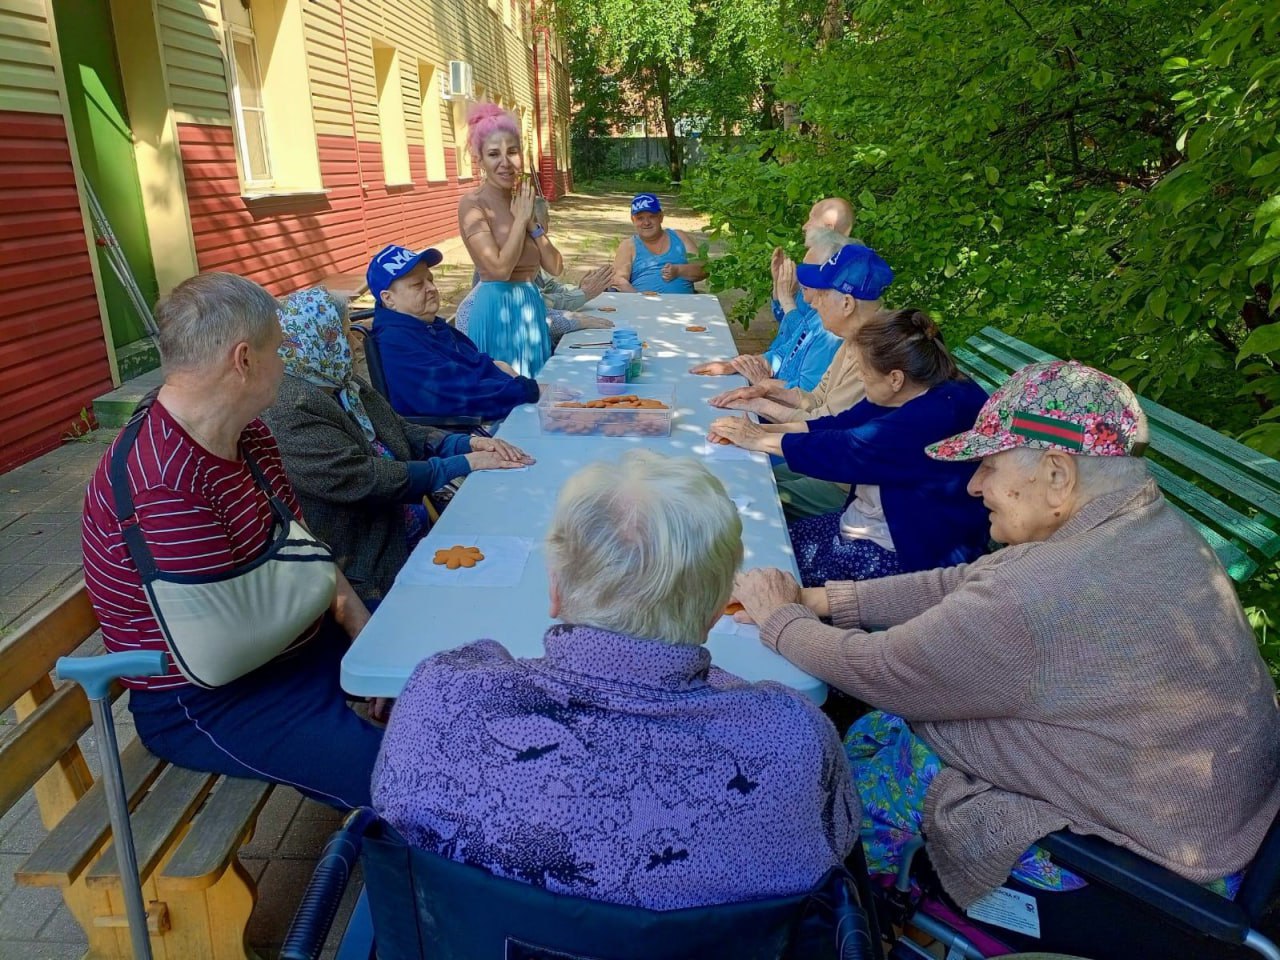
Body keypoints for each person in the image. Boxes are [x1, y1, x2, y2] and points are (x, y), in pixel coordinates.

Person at [730, 360, 1280, 910]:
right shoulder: (1150, 528)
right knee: (877, 733)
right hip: (1211, 822)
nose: (974, 485)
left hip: (1142, 875)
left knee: (837, 784)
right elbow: (970, 580)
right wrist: (823, 599)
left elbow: (884, 671)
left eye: (990, 465)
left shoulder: (1044, 590)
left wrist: (782, 621)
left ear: (1058, 475)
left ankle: (868, 913)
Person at [372, 450, 856, 910]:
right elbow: (836, 847)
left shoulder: (439, 697)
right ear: (716, 611)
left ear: (556, 589)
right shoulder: (794, 737)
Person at [81, 273, 383, 810]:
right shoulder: (162, 481)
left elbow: (302, 548)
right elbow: (220, 650)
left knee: (430, 654)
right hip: (205, 699)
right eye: (279, 349)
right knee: (396, 781)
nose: (286, 363)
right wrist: (326, 606)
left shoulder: (249, 434)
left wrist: (362, 628)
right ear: (244, 360)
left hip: (288, 650)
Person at [262, 288, 535, 607]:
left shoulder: (342, 382)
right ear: (318, 340)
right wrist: (463, 463)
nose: (354, 341)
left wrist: (464, 441)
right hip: (368, 562)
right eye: (343, 331)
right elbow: (364, 479)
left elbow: (399, 428)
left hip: (413, 526)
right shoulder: (292, 408)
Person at [710, 309, 989, 585]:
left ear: (895, 378)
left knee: (762, 564)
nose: (862, 382)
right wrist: (758, 430)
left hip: (905, 554)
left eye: (864, 375)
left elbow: (847, 449)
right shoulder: (920, 386)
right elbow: (841, 424)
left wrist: (759, 439)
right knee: (761, 542)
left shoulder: (934, 416)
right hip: (871, 524)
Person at [710, 240, 894, 519]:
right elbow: (817, 397)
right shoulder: (855, 335)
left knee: (744, 498)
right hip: (829, 460)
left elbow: (827, 425)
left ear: (846, 303)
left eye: (820, 294)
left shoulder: (878, 354)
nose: (810, 301)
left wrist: (761, 424)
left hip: (845, 481)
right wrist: (761, 395)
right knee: (735, 474)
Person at [692, 197, 855, 389]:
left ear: (828, 227)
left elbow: (808, 397)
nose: (804, 226)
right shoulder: (818, 277)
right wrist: (735, 365)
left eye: (811, 218)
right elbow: (788, 345)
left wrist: (763, 384)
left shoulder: (834, 326)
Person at [367, 244, 541, 422]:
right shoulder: (396, 343)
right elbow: (458, 395)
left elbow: (476, 365)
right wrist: (527, 390)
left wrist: (509, 375)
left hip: (493, 410)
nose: (432, 288)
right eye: (418, 284)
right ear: (388, 299)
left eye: (430, 279)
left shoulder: (428, 325)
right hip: (458, 433)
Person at [457, 102, 564, 377]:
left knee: (535, 399)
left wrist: (533, 226)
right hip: (497, 313)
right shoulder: (473, 205)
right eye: (493, 154)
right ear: (479, 160)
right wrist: (520, 222)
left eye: (512, 152)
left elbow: (555, 267)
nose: (505, 162)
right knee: (506, 407)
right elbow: (498, 270)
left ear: (521, 155)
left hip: (530, 310)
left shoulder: (521, 203)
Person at [456, 198, 616, 347]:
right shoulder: (503, 266)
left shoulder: (525, 254)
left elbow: (544, 293)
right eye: (537, 230)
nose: (542, 239)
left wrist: (577, 297)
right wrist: (580, 304)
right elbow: (532, 313)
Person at [609, 193, 707, 294]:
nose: (646, 222)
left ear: (661, 217)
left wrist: (678, 270)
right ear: (633, 220)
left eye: (651, 216)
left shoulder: (679, 237)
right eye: (640, 218)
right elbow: (618, 281)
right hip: (642, 306)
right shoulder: (628, 245)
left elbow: (704, 270)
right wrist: (639, 298)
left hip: (683, 306)